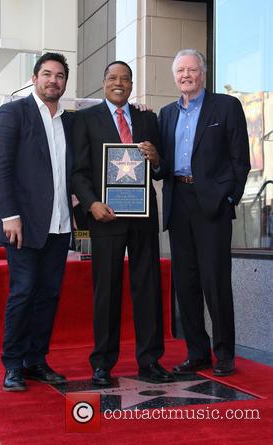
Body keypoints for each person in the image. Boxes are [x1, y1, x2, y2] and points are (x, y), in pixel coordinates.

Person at [72, 60, 172, 385]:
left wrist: (156, 159)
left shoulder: (147, 118)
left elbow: (161, 168)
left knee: (148, 289)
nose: (119, 83)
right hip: (106, 217)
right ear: (103, 83)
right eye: (113, 78)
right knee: (107, 292)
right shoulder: (85, 120)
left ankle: (150, 361)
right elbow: (78, 172)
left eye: (125, 79)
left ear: (131, 85)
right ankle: (102, 364)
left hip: (142, 218)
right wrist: (91, 203)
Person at [158, 49, 251, 377]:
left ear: (203, 74)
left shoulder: (226, 107)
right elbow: (161, 165)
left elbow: (240, 159)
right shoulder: (166, 114)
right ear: (175, 76)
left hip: (211, 204)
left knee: (215, 282)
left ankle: (224, 354)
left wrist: (228, 197)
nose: (186, 75)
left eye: (192, 70)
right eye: (180, 70)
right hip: (178, 201)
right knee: (186, 283)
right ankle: (197, 352)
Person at [0, 52, 74, 391]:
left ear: (65, 82)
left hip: (60, 224)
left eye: (60, 76)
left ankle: (36, 360)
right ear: (35, 77)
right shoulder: (13, 112)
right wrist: (9, 215)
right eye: (47, 74)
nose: (53, 80)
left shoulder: (69, 121)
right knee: (23, 292)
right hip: (22, 225)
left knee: (49, 295)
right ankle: (12, 364)